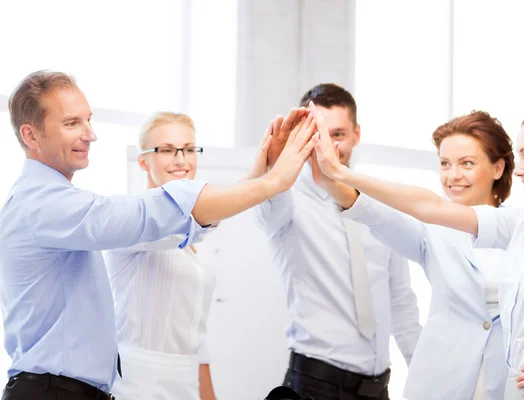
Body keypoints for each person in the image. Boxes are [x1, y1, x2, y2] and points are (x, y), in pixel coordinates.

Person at [0, 70, 315, 400]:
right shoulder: (44, 205)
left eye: (88, 120)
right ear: (31, 136)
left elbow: (180, 222)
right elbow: (149, 215)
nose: (90, 134)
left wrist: (260, 175)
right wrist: (270, 182)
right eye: (71, 123)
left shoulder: (52, 202)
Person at [311, 100, 524, 400]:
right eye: (445, 163)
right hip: (509, 390)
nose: (520, 169)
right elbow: (429, 206)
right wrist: (341, 174)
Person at [312, 110, 513, 399]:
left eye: (466, 163)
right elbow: (378, 216)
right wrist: (330, 181)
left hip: (507, 380)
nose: (453, 176)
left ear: (498, 168)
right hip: (443, 380)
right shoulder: (430, 229)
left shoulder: (523, 228)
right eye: (445, 164)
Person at [255, 84, 422, 400]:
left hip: (378, 389)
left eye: (338, 134)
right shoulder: (285, 199)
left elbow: (400, 299)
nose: (327, 146)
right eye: (316, 133)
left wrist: (428, 378)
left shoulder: (377, 203)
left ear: (356, 134)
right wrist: (276, 168)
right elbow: (265, 210)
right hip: (314, 385)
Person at [103, 112, 220, 399]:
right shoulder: (129, 221)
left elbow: (197, 335)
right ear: (143, 161)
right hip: (136, 382)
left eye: (189, 149)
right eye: (166, 150)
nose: (181, 159)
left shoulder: (199, 245)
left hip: (186, 381)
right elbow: (170, 229)